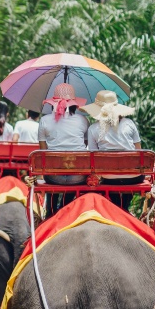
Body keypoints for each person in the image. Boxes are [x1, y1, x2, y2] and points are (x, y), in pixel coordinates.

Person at [81, 90, 142, 211]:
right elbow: (139, 151)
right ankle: (124, 210)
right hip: (134, 176)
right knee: (124, 196)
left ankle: (118, 210)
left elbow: (93, 158)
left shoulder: (93, 129)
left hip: (109, 177)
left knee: (110, 181)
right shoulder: (129, 124)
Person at [38, 83, 89, 213]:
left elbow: (43, 152)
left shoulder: (44, 120)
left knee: (51, 170)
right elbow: (85, 144)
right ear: (73, 104)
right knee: (73, 179)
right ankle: (65, 208)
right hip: (78, 176)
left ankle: (51, 211)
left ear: (52, 103)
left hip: (53, 176)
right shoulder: (83, 120)